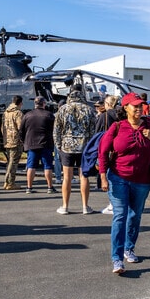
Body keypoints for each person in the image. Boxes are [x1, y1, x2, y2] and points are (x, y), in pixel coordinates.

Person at [98, 92, 150, 273]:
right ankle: (117, 259)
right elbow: (103, 152)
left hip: (142, 180)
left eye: (141, 106)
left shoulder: (149, 126)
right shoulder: (117, 127)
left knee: (135, 216)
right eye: (135, 106)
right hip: (119, 178)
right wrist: (103, 176)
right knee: (120, 216)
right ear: (126, 108)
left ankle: (129, 247)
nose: (139, 109)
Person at [53, 84, 96, 214]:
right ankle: (85, 206)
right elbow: (92, 131)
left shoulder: (62, 109)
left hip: (67, 146)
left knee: (66, 177)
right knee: (84, 176)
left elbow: (56, 131)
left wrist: (58, 145)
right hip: (84, 147)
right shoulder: (89, 110)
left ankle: (65, 206)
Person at [19, 96, 56, 194]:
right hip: (46, 143)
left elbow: (21, 131)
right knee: (47, 166)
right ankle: (50, 187)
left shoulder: (27, 115)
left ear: (35, 104)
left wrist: (24, 141)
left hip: (31, 143)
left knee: (31, 166)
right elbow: (55, 130)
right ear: (44, 104)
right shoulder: (49, 115)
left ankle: (29, 187)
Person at [1, 95, 23, 190]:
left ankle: (7, 181)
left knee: (9, 161)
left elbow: (2, 127)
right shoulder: (18, 113)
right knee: (13, 162)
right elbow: (20, 127)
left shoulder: (5, 112)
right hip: (16, 140)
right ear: (20, 103)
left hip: (7, 139)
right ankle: (10, 182)